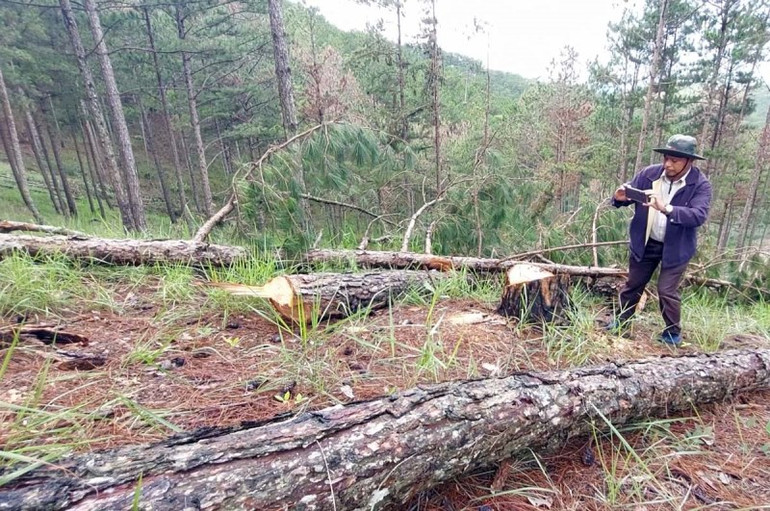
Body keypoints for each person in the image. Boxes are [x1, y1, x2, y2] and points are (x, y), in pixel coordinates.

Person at [607, 134, 712, 346]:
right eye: (666, 158)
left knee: (666, 290)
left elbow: (698, 216)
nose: (668, 164)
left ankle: (672, 333)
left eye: (675, 160)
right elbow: (629, 195)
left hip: (677, 247)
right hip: (645, 242)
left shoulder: (699, 185)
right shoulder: (649, 174)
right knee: (633, 284)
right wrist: (619, 198)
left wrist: (666, 208)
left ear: (688, 161)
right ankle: (622, 321)